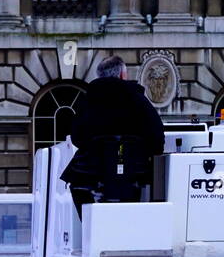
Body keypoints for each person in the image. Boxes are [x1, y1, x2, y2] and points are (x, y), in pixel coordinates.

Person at [61, 55, 166, 216]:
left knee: (78, 186)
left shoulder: (87, 100)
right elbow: (157, 135)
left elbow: (76, 136)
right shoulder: (138, 99)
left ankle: (92, 228)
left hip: (90, 172)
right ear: (122, 75)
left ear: (100, 76)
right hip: (134, 172)